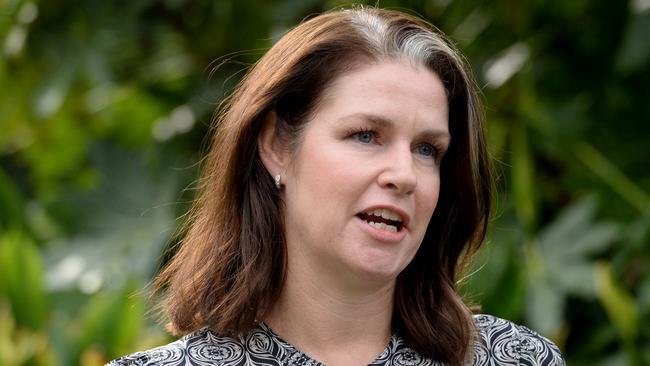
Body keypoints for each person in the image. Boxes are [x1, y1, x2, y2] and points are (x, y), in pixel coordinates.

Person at [107, 6, 565, 366]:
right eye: (366, 136)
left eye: (427, 149)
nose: (404, 174)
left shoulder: (517, 359)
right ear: (277, 146)